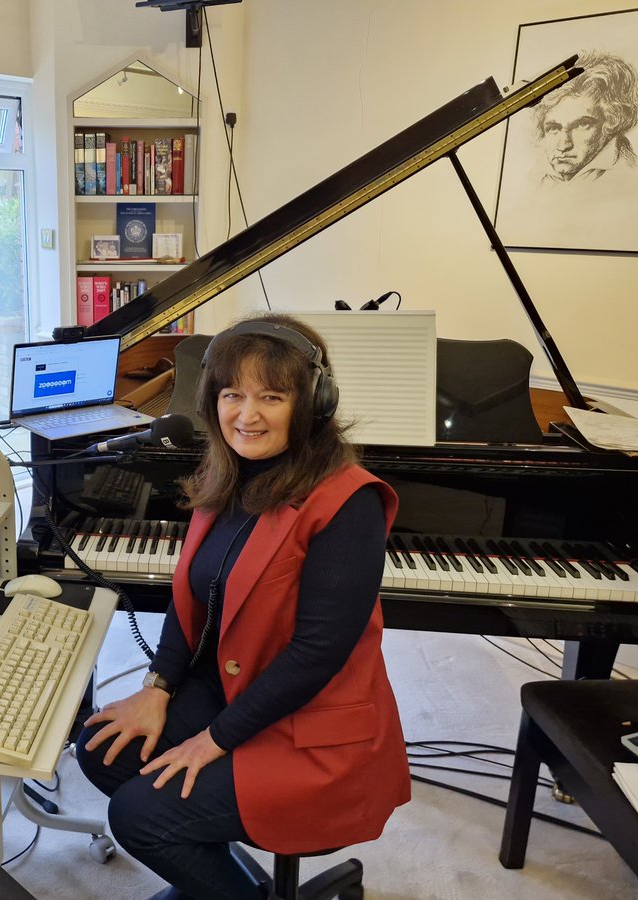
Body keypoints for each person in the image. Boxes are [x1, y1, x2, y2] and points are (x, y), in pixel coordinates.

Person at [76, 314, 410, 900]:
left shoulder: (347, 502)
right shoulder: (229, 472)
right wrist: (157, 687)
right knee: (104, 751)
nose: (246, 416)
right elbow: (193, 598)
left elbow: (316, 655)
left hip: (309, 725)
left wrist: (214, 740)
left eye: (271, 397)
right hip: (235, 687)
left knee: (140, 817)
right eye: (233, 394)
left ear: (313, 403)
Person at [532, 52, 638, 186]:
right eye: (554, 128)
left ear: (612, 122)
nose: (563, 146)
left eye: (582, 125)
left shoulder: (633, 176)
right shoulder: (534, 177)